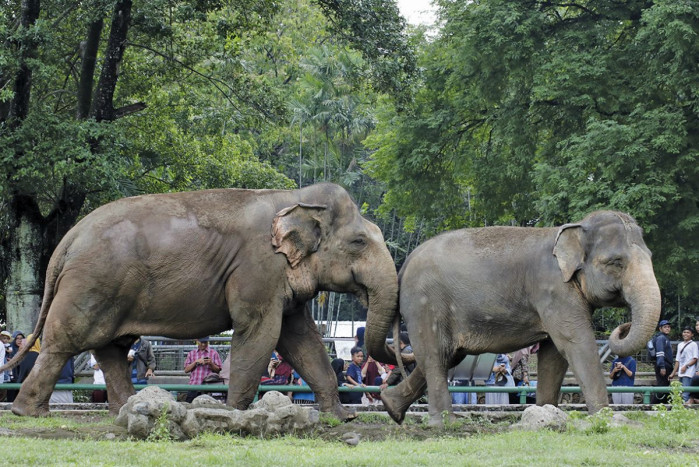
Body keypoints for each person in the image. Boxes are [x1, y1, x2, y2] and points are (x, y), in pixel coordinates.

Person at [183, 337, 222, 403]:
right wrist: (196, 362)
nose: (203, 344)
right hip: (194, 386)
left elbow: (218, 370)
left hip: (209, 387)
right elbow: (186, 370)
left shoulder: (214, 353)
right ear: (197, 341)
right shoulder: (191, 353)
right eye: (201, 342)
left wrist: (210, 363)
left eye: (205, 342)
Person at [669, 326, 698, 402]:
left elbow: (695, 358)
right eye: (684, 332)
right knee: (681, 392)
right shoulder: (680, 345)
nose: (686, 334)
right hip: (681, 373)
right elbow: (677, 360)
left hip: (688, 372)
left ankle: (686, 409)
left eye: (688, 332)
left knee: (686, 393)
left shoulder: (693, 344)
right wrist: (673, 373)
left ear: (692, 335)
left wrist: (686, 366)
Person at [652, 319, 673, 403]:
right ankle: (653, 404)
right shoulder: (661, 338)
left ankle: (663, 404)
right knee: (662, 386)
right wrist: (662, 366)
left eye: (668, 327)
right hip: (663, 365)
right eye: (665, 327)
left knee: (665, 385)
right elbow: (660, 353)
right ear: (660, 329)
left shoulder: (665, 338)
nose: (667, 328)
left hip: (666, 364)